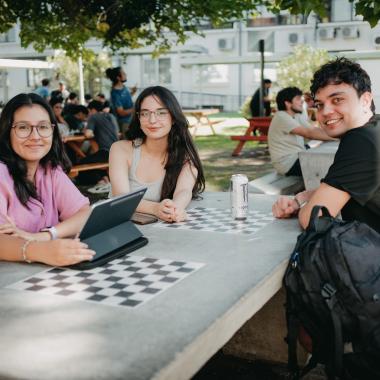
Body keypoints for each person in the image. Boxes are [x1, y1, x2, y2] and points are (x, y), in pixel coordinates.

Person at [272, 57, 380, 234]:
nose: (326, 112)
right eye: (319, 105)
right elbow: (347, 189)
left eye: (337, 99)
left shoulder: (362, 140)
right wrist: (302, 198)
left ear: (365, 100)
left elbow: (313, 220)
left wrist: (305, 208)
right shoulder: (374, 129)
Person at [0, 93, 95, 266]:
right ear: (7, 132)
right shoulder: (1, 174)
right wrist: (42, 250)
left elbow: (84, 213)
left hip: (47, 275)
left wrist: (46, 235)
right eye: (23, 127)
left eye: (43, 127)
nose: (35, 136)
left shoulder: (49, 170)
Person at [109, 86, 205, 222]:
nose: (152, 120)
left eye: (161, 113)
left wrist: (176, 209)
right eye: (145, 113)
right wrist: (155, 209)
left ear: (173, 117)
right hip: (118, 225)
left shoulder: (185, 155)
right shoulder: (120, 149)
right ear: (138, 118)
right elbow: (121, 197)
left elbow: (184, 190)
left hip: (158, 231)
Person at [268, 87, 334, 176]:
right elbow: (309, 133)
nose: (302, 101)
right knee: (328, 165)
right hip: (287, 164)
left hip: (297, 156)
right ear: (288, 103)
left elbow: (312, 130)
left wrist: (335, 133)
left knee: (330, 156)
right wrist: (338, 136)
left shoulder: (296, 116)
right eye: (298, 99)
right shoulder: (281, 116)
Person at [76, 100, 119, 188]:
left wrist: (87, 131)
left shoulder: (94, 117)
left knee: (80, 163)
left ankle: (99, 180)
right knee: (94, 160)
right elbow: (117, 132)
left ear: (92, 110)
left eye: (89, 111)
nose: (89, 114)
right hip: (118, 152)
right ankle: (104, 178)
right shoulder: (111, 116)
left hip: (105, 152)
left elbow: (88, 134)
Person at [105, 66, 136, 135]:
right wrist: (135, 108)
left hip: (130, 120)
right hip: (124, 123)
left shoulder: (123, 87)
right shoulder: (115, 93)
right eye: (123, 73)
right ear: (118, 78)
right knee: (127, 144)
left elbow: (124, 99)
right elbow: (121, 112)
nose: (126, 74)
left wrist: (133, 93)